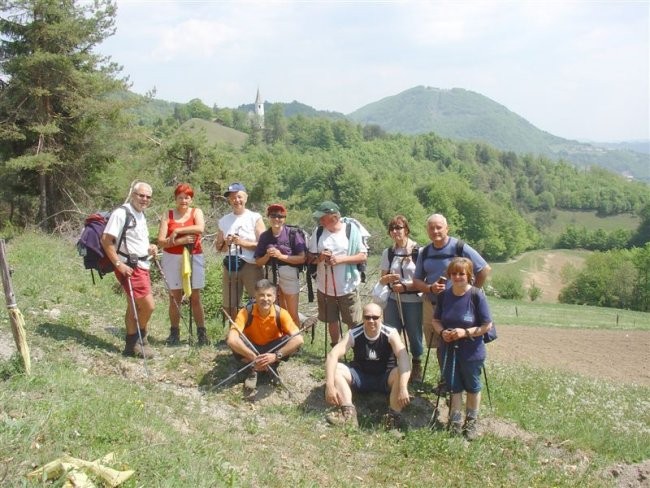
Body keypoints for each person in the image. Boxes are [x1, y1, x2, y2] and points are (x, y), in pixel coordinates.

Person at [413, 213, 491, 390]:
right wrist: (430, 288)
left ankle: (464, 382)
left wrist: (472, 294)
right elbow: (417, 280)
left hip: (460, 307)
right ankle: (447, 381)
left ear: (447, 228)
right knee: (441, 343)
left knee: (464, 343)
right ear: (427, 231)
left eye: (439, 227)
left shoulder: (460, 247)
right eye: (431, 228)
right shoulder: (425, 252)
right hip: (433, 305)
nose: (435, 231)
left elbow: (484, 269)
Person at [432, 257, 493, 440]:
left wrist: (464, 332)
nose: (457, 277)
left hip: (472, 350)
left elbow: (487, 325)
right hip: (448, 348)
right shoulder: (444, 295)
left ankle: (471, 423)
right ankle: (455, 422)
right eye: (454, 273)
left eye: (461, 274)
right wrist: (442, 332)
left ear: (469, 276)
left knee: (473, 387)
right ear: (449, 276)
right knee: (454, 386)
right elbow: (436, 320)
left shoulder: (476, 295)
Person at [324, 303, 411, 429]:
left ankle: (393, 418)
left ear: (381, 317)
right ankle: (349, 414)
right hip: (360, 377)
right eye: (367, 317)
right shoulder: (354, 333)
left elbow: (403, 357)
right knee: (337, 369)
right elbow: (332, 355)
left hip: (385, 377)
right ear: (363, 318)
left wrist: (403, 387)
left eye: (375, 317)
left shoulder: (390, 333)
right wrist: (330, 385)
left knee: (399, 372)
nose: (371, 321)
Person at [100, 182, 158, 358]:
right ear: (133, 194)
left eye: (148, 197)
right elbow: (106, 240)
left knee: (134, 307)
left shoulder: (140, 215)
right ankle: (139, 339)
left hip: (142, 265)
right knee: (148, 306)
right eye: (141, 195)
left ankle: (130, 346)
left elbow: (135, 239)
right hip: (130, 267)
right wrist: (119, 264)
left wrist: (151, 248)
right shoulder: (121, 213)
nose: (144, 199)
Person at [225, 279, 304, 397]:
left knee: (291, 341)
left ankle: (270, 364)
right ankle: (255, 368)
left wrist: (276, 356)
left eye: (269, 295)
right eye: (261, 295)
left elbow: (299, 339)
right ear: (255, 296)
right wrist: (254, 357)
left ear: (274, 297)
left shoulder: (281, 313)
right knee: (235, 340)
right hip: (251, 349)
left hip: (273, 349)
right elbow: (231, 339)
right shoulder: (245, 312)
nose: (265, 299)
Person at [308, 201, 368, 346]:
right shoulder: (319, 232)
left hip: (348, 287)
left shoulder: (351, 230)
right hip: (325, 286)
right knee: (331, 320)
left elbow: (362, 256)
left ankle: (355, 350)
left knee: (353, 322)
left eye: (323, 218)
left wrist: (340, 260)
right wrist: (321, 257)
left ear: (334, 217)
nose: (320, 221)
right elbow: (310, 258)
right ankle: (336, 349)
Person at [156, 183, 209, 346]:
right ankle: (174, 333)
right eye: (180, 197)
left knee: (195, 296)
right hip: (172, 257)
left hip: (194, 256)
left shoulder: (196, 212)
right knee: (175, 297)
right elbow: (161, 241)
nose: (184, 200)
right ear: (175, 198)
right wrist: (182, 240)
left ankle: (202, 334)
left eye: (187, 197)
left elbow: (200, 228)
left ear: (191, 199)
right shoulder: (168, 214)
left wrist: (178, 231)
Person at [378, 215, 424, 382]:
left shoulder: (419, 251)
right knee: (392, 333)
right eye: (392, 229)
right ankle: (394, 365)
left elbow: (423, 281)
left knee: (414, 334)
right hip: (393, 299)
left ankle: (416, 364)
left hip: (413, 300)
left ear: (406, 230)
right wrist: (388, 280)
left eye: (399, 228)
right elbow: (382, 279)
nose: (395, 231)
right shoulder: (388, 253)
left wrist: (405, 286)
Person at [215, 182, 265, 320]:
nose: (236, 200)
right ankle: (235, 333)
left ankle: (259, 334)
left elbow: (263, 244)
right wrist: (226, 242)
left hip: (251, 264)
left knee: (259, 299)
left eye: (239, 197)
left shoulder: (255, 217)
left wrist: (242, 243)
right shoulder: (224, 220)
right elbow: (219, 247)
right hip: (230, 264)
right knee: (230, 303)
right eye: (232, 198)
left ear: (246, 198)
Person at [254, 203, 306, 326]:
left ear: (284, 219)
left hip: (290, 274)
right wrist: (267, 256)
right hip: (271, 274)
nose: (276, 219)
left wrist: (280, 256)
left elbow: (302, 258)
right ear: (268, 217)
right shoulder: (265, 236)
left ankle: (295, 342)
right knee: (276, 311)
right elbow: (258, 261)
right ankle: (279, 340)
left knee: (292, 313)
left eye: (280, 216)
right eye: (273, 216)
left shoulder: (293, 234)